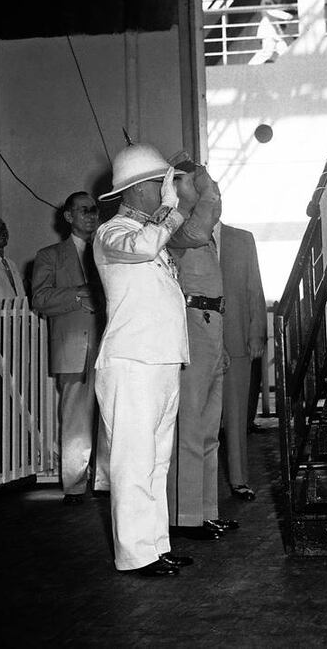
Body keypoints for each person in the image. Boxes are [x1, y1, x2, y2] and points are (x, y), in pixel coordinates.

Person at [92, 143, 193, 577]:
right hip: (131, 361)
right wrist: (171, 209)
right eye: (160, 183)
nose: (166, 190)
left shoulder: (150, 231)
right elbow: (145, 246)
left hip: (162, 359)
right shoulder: (111, 233)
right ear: (135, 190)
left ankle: (155, 546)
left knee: (156, 460)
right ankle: (134, 555)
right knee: (133, 461)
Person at [163, 157, 239, 540]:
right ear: (176, 184)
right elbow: (200, 222)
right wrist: (209, 188)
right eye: (195, 179)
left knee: (209, 428)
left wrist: (222, 343)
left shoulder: (201, 229)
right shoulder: (173, 225)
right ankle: (183, 514)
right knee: (190, 427)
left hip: (211, 325)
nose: (207, 185)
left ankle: (205, 510)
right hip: (191, 325)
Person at [31, 192, 110, 506]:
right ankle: (75, 486)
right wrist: (78, 292)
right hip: (73, 347)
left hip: (108, 344)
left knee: (109, 415)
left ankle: (105, 482)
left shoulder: (108, 249)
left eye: (95, 210)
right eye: (84, 210)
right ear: (68, 216)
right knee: (76, 419)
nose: (91, 215)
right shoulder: (49, 255)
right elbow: (40, 300)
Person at [220, 222, 267, 501]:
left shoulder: (241, 239)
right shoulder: (178, 236)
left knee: (237, 418)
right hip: (196, 344)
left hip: (237, 339)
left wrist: (256, 333)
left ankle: (239, 480)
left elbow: (254, 288)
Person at [247, 0, 293, 66]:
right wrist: (287, 16)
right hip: (268, 30)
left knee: (284, 51)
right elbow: (270, 11)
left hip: (275, 31)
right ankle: (250, 67)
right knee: (266, 53)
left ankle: (290, 68)